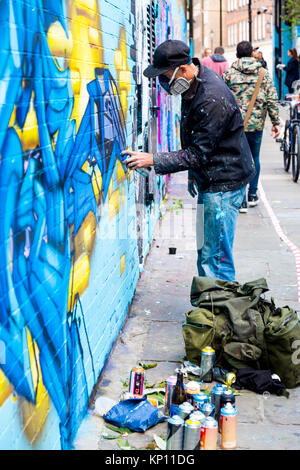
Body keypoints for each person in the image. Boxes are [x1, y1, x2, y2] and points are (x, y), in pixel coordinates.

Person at [122, 39, 256, 282]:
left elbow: (198, 152)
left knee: (214, 258)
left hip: (224, 183)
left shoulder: (210, 98)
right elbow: (201, 145)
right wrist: (196, 174)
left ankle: (218, 313)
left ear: (182, 70)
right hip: (216, 177)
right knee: (210, 251)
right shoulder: (194, 84)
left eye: (164, 76)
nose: (163, 83)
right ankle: (214, 308)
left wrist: (153, 159)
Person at [223, 41, 280, 213]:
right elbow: (271, 99)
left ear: (237, 55)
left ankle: (240, 200)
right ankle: (253, 194)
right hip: (256, 124)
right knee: (254, 157)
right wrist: (276, 122)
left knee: (236, 158)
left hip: (234, 125)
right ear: (252, 54)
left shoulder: (229, 74)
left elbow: (220, 98)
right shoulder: (263, 73)